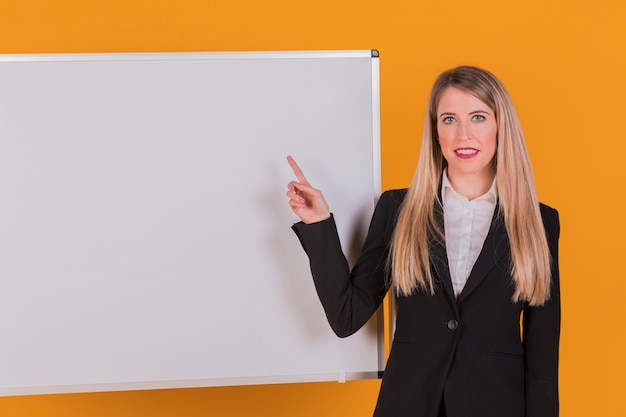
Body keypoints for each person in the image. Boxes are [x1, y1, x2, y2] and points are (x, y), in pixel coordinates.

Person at [286, 65, 560, 417]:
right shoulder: (397, 210)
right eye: (449, 119)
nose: (464, 134)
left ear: (500, 127)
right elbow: (347, 316)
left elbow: (543, 355)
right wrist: (319, 224)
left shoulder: (539, 222)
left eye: (478, 117)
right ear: (435, 132)